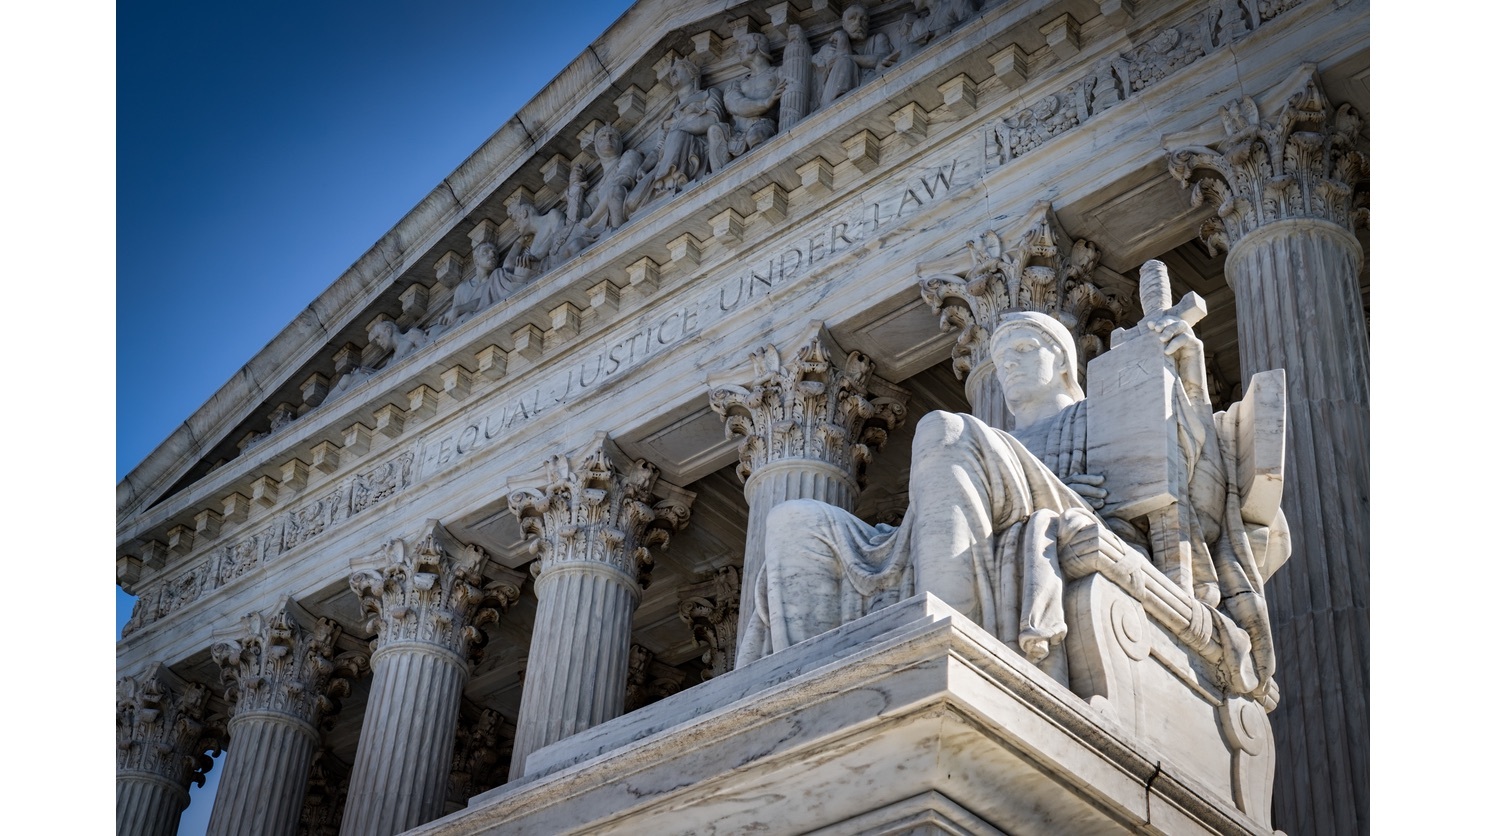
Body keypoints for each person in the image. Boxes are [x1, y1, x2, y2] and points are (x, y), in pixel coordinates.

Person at [736, 309, 1276, 697]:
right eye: (999, 357)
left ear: (1065, 362)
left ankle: (950, 638)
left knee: (944, 428)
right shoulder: (989, 445)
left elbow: (1196, 509)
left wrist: (1185, 383)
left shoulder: (1098, 418)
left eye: (1023, 351)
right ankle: (796, 695)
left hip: (1078, 526)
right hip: (970, 540)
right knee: (793, 520)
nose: (1008, 366)